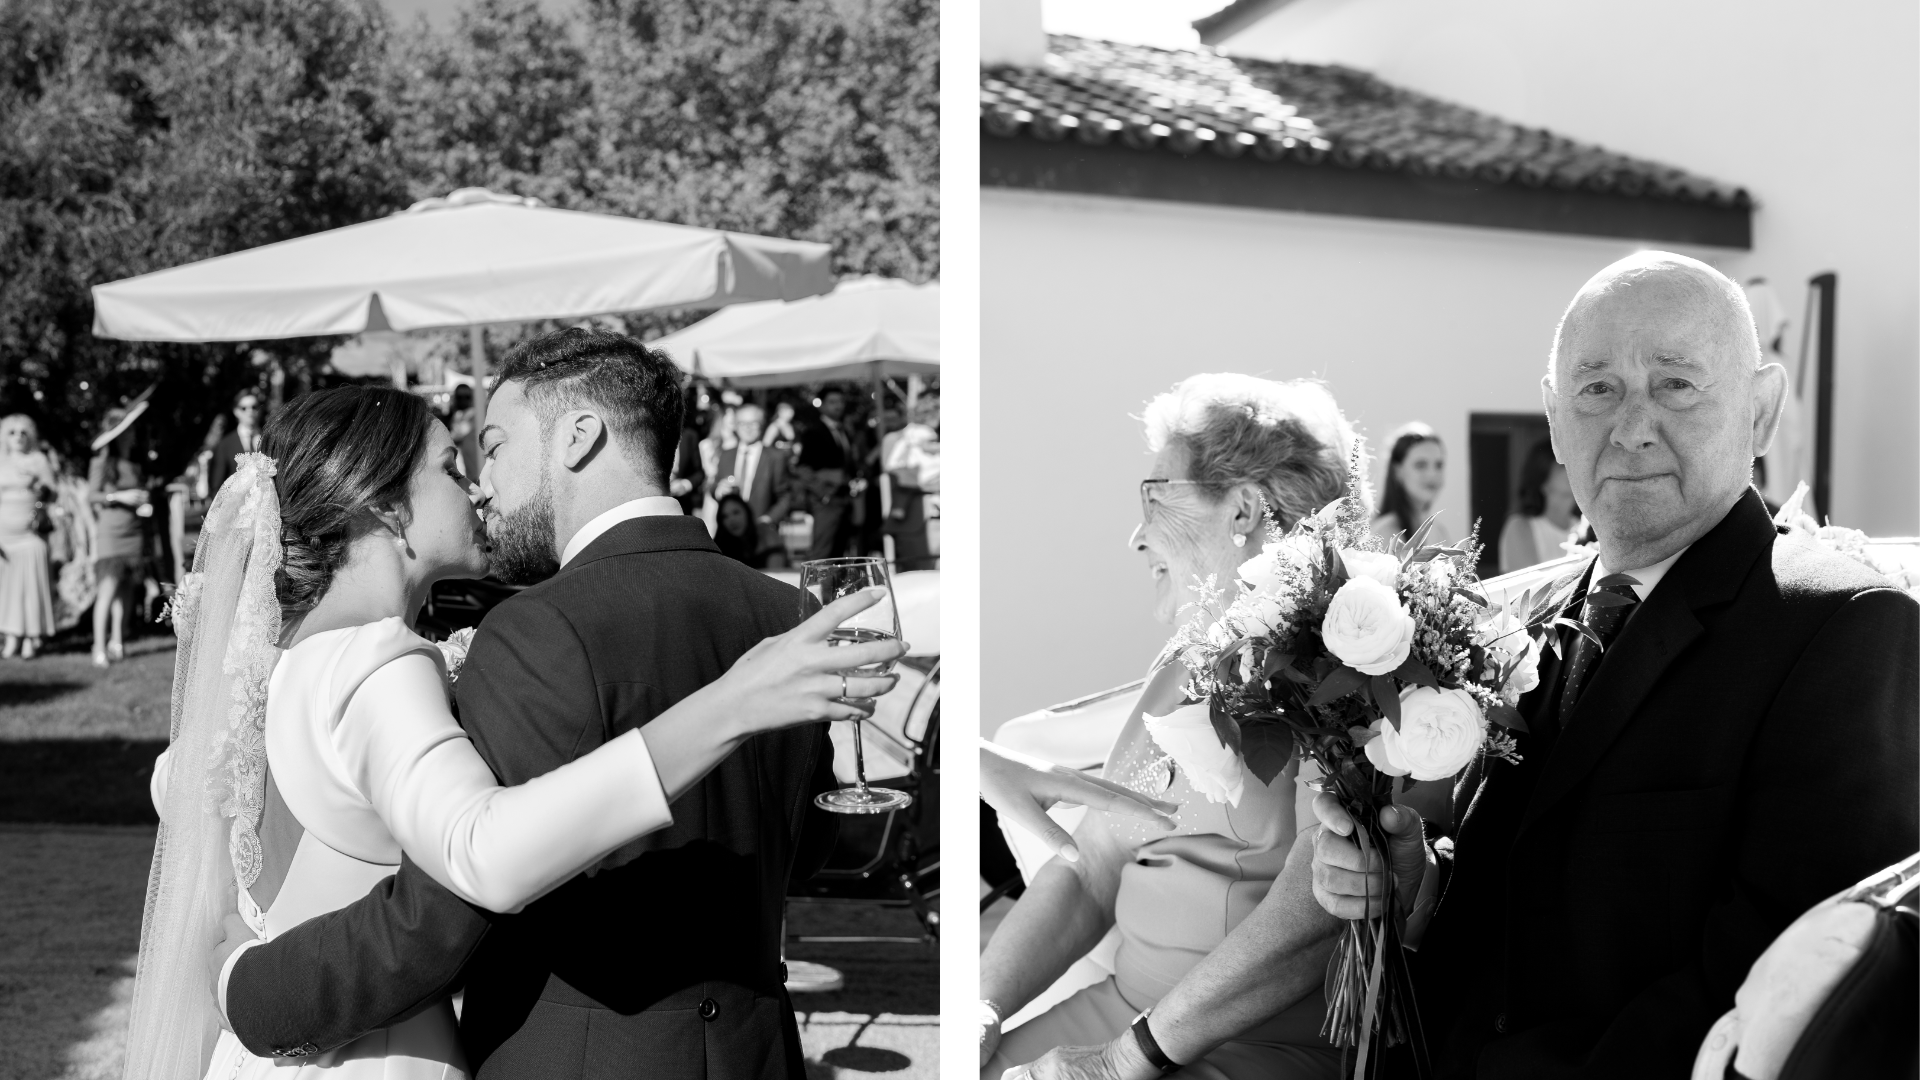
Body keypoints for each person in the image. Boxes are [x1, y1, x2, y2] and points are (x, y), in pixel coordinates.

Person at [1307, 251, 1920, 1078]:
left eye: (1676, 383)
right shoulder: (1519, 623)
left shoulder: (1845, 628)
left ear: (1762, 410)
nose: (1632, 425)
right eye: (1598, 389)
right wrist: (1417, 887)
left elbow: (1784, 1000)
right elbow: (1530, 876)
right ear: (1556, 421)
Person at [204, 330, 879, 1076]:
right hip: (755, 1053)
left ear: (580, 437)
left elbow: (446, 913)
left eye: (490, 447)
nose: (484, 482)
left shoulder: (535, 626)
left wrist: (255, 991)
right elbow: (809, 847)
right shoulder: (789, 613)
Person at [980, 373, 1362, 1080]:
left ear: (1242, 508)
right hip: (1123, 1008)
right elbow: (1095, 865)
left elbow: (1312, 925)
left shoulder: (1349, 664)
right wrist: (986, 1004)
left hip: (1248, 1045)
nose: (1135, 535)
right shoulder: (1187, 660)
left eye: (1154, 495)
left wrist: (1122, 1061)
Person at [88, 404, 153, 667]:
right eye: (126, 431)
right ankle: (98, 647)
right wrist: (118, 496)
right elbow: (91, 495)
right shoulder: (101, 462)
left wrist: (142, 500)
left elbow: (139, 492)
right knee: (108, 590)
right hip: (111, 534)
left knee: (126, 590)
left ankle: (118, 641)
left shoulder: (135, 464)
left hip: (134, 532)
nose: (132, 434)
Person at [0, 416, 57, 658]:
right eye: (12, 432)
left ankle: (32, 638)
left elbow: (53, 493)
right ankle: (11, 637)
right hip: (5, 534)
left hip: (31, 532)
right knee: (9, 588)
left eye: (23, 432)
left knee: (31, 586)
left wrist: (39, 488)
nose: (18, 436)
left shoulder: (38, 460)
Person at [707, 404, 792, 561]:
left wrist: (768, 519)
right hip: (730, 537)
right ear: (736, 426)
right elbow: (713, 486)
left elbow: (785, 496)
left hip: (762, 537)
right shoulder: (726, 454)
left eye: (753, 423)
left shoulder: (775, 457)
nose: (747, 428)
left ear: (762, 425)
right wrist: (717, 489)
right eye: (742, 423)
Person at [1496, 439, 1581, 573]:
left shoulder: (1588, 528)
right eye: (1563, 465)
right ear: (1543, 480)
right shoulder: (1519, 526)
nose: (1573, 468)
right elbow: (1526, 589)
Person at [795, 387, 860, 560]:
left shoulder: (844, 430)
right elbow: (802, 468)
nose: (837, 406)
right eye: (832, 402)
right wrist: (823, 494)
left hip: (844, 498)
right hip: (827, 500)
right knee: (823, 553)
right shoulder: (814, 431)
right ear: (822, 405)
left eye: (840, 402)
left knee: (841, 551)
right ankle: (817, 587)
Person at [1369, 422, 1449, 545]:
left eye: (1439, 465)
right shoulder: (1383, 534)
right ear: (1398, 471)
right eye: (1420, 465)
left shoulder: (1438, 532)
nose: (1432, 474)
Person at [884, 395, 940, 572]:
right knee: (920, 573)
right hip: (916, 517)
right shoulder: (895, 439)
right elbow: (894, 476)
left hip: (930, 515)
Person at [205, 389, 267, 498]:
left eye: (254, 407)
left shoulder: (269, 440)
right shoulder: (225, 445)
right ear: (236, 411)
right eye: (244, 408)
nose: (250, 411)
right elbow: (216, 487)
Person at [712, 493, 768, 568]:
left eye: (736, 512)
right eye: (725, 516)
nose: (731, 520)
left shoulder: (766, 538)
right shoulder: (717, 552)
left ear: (747, 512)